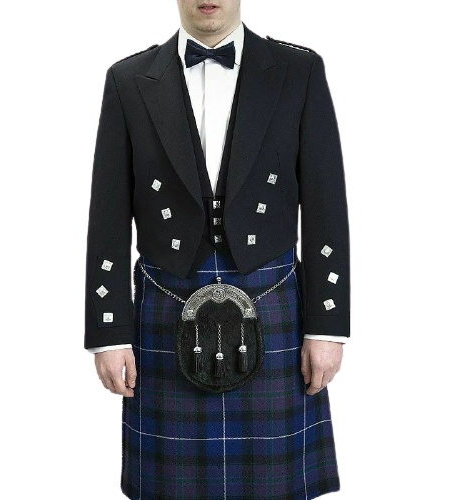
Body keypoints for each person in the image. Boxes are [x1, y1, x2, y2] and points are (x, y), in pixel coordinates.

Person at [84, 1, 350, 498]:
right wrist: (109, 332)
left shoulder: (298, 71)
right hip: (166, 306)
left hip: (272, 304)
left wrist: (326, 326)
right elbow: (108, 216)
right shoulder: (128, 79)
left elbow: (325, 206)